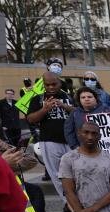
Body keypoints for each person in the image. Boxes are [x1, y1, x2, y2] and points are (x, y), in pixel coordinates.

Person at [25, 72, 74, 203]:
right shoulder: (38, 99)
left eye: (54, 84)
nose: (51, 87)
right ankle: (68, 202)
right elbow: (30, 119)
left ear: (59, 82)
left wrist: (64, 106)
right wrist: (44, 109)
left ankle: (79, 199)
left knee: (76, 172)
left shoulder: (68, 96)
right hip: (49, 141)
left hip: (71, 141)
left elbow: (79, 112)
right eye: (47, 85)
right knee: (57, 174)